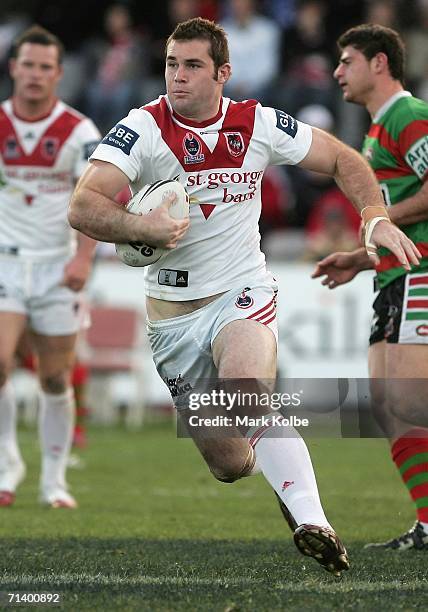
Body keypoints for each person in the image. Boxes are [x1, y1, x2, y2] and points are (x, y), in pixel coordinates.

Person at [69, 18, 419, 574]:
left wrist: (374, 217)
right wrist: (142, 229)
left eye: (192, 66)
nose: (177, 78)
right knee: (230, 464)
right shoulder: (144, 127)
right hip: (172, 322)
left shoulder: (257, 123)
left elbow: (343, 159)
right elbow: (83, 205)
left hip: (241, 290)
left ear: (222, 73)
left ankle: (313, 520)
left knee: (248, 389)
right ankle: (275, 466)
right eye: (170, 64)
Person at [312, 24, 428, 551]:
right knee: (388, 407)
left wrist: (376, 225)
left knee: (408, 403)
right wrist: (363, 256)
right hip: (390, 277)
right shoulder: (375, 133)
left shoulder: (408, 114)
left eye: (347, 60)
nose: (337, 72)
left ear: (379, 63)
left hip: (418, 272)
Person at [0, 25, 100, 509]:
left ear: (58, 74)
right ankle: (8, 464)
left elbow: (92, 198)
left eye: (45, 67)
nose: (35, 74)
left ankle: (53, 479)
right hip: (5, 262)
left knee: (55, 378)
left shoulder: (78, 130)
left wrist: (83, 257)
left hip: (57, 266)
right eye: (28, 64)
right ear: (13, 67)